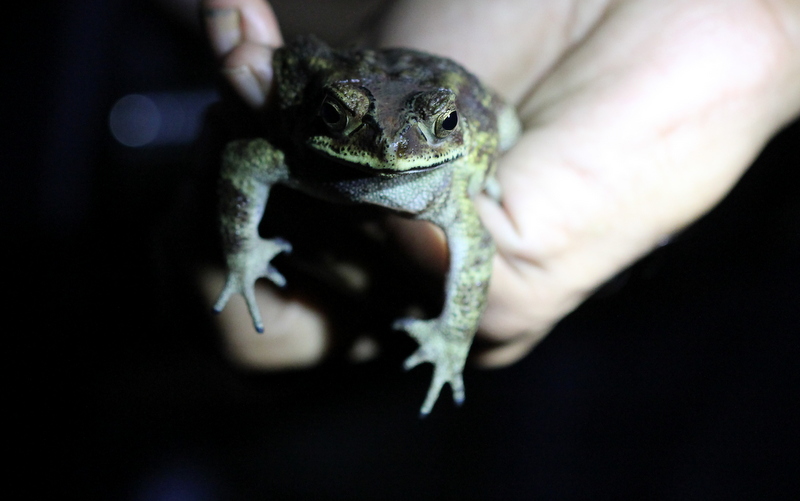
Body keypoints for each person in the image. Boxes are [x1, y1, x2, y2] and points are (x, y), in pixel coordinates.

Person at [198, 0, 800, 369]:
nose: (389, 150)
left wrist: (450, 339)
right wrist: (241, 248)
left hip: (443, 91)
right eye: (338, 116)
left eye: (441, 125)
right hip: (350, 76)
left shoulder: (449, 173)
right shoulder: (298, 153)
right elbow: (244, 159)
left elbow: (474, 252)